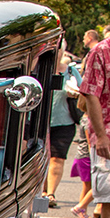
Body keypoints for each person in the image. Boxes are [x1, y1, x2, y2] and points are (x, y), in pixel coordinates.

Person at [79, 30, 110, 218]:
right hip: (108, 135)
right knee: (109, 198)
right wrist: (100, 135)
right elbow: (90, 93)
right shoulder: (101, 51)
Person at [45, 52, 82, 208]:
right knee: (42, 158)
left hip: (64, 122)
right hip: (40, 122)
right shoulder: (41, 68)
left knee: (57, 158)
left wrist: (75, 94)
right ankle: (41, 190)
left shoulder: (71, 72)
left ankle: (50, 193)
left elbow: (83, 94)